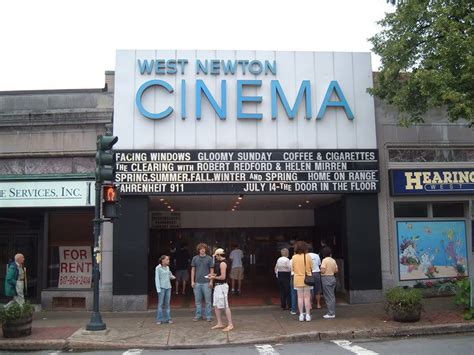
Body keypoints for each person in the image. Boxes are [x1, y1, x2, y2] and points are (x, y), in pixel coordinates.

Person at [208, 248, 234, 332]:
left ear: (219, 255)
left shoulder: (223, 263)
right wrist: (213, 275)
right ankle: (220, 323)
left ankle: (230, 324)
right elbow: (219, 274)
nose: (216, 258)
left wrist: (213, 277)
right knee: (216, 304)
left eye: (216, 256)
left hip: (222, 286)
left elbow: (223, 277)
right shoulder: (220, 263)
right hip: (218, 286)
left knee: (225, 305)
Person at [191, 243, 214, 322]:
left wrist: (211, 281)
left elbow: (211, 270)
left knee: (208, 301)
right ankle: (198, 315)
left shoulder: (209, 258)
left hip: (207, 282)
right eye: (201, 249)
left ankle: (208, 316)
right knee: (198, 301)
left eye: (203, 248)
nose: (202, 250)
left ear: (205, 249)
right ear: (198, 250)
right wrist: (192, 281)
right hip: (197, 282)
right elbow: (193, 270)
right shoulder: (195, 258)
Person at [291, 241, 313, 322]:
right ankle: (307, 315)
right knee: (307, 298)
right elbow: (312, 267)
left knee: (299, 298)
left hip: (297, 279)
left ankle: (301, 315)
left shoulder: (294, 257)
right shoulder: (308, 256)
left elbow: (292, 268)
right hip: (307, 279)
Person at [155, 255, 176, 324]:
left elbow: (169, 275)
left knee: (167, 304)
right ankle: (159, 319)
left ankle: (168, 318)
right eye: (167, 259)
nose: (168, 261)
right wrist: (158, 289)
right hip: (161, 287)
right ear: (163, 260)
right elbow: (157, 279)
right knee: (160, 304)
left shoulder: (167, 267)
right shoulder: (158, 268)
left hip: (168, 287)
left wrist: (173, 277)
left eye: (168, 259)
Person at [320, 246, 338, 319]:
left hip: (326, 278)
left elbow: (323, 270)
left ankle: (331, 313)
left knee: (328, 296)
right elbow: (336, 270)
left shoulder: (324, 260)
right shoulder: (333, 260)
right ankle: (332, 312)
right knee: (332, 296)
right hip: (332, 277)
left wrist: (320, 269)